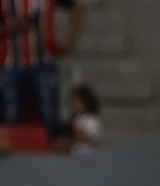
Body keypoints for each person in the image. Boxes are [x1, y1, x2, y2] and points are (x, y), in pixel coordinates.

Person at [0, 0, 83, 136]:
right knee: (10, 115)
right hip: (9, 63)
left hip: (43, 62)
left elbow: (76, 8)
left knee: (49, 115)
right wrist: (11, 28)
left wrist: (70, 40)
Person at [52, 84, 100, 154]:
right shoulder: (74, 120)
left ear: (85, 102)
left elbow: (92, 139)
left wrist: (76, 138)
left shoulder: (90, 119)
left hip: (87, 155)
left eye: (75, 101)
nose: (71, 105)